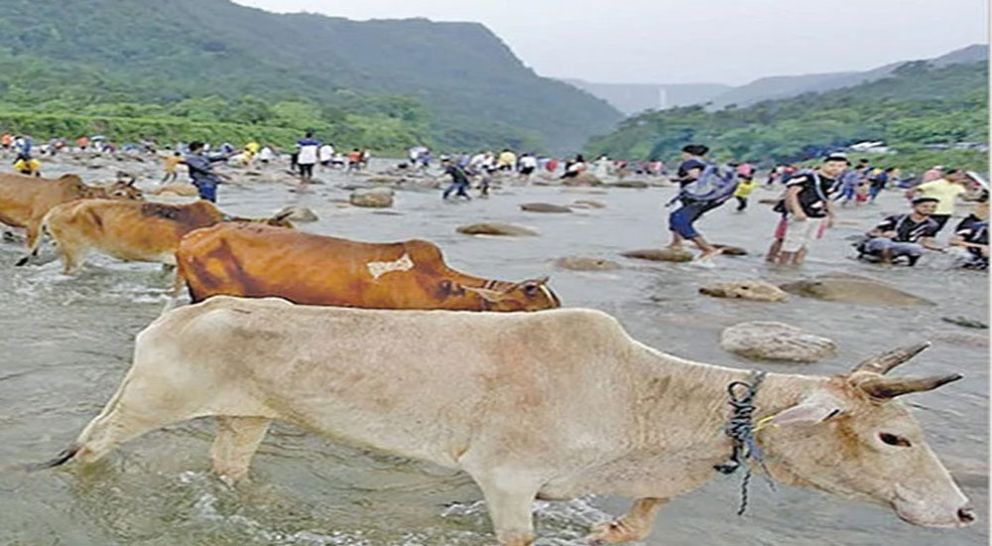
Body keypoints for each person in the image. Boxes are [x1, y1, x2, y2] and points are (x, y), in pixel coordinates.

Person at [767, 153, 845, 265]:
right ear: (824, 165)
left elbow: (827, 199)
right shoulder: (807, 177)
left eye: (840, 166)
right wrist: (797, 211)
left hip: (817, 215)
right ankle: (779, 266)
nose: (836, 169)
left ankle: (796, 265)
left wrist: (831, 216)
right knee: (789, 242)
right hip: (801, 214)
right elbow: (791, 192)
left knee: (807, 243)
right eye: (832, 165)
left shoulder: (832, 181)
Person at [666, 144, 724, 260]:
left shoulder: (690, 162)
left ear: (687, 153)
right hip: (707, 197)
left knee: (679, 220)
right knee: (678, 217)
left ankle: (707, 249)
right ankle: (676, 243)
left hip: (693, 196)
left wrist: (678, 179)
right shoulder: (706, 164)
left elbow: (694, 175)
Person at [857, 197, 942, 266]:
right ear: (914, 207)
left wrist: (941, 249)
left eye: (933, 207)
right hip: (881, 243)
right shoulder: (895, 218)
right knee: (883, 242)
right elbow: (872, 233)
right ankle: (885, 264)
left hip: (901, 245)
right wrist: (884, 234)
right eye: (925, 206)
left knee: (917, 248)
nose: (929, 209)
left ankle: (910, 267)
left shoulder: (932, 225)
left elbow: (926, 242)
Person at [906, 169, 969, 233]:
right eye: (957, 175)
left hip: (946, 212)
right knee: (924, 230)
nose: (959, 177)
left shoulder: (958, 187)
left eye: (961, 175)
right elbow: (913, 190)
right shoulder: (936, 183)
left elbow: (966, 198)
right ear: (948, 175)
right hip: (931, 212)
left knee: (935, 231)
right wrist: (913, 202)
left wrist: (969, 187)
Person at [949, 195, 989, 270]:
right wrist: (980, 246)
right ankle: (970, 262)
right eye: (986, 206)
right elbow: (954, 241)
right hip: (972, 249)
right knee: (958, 252)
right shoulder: (969, 223)